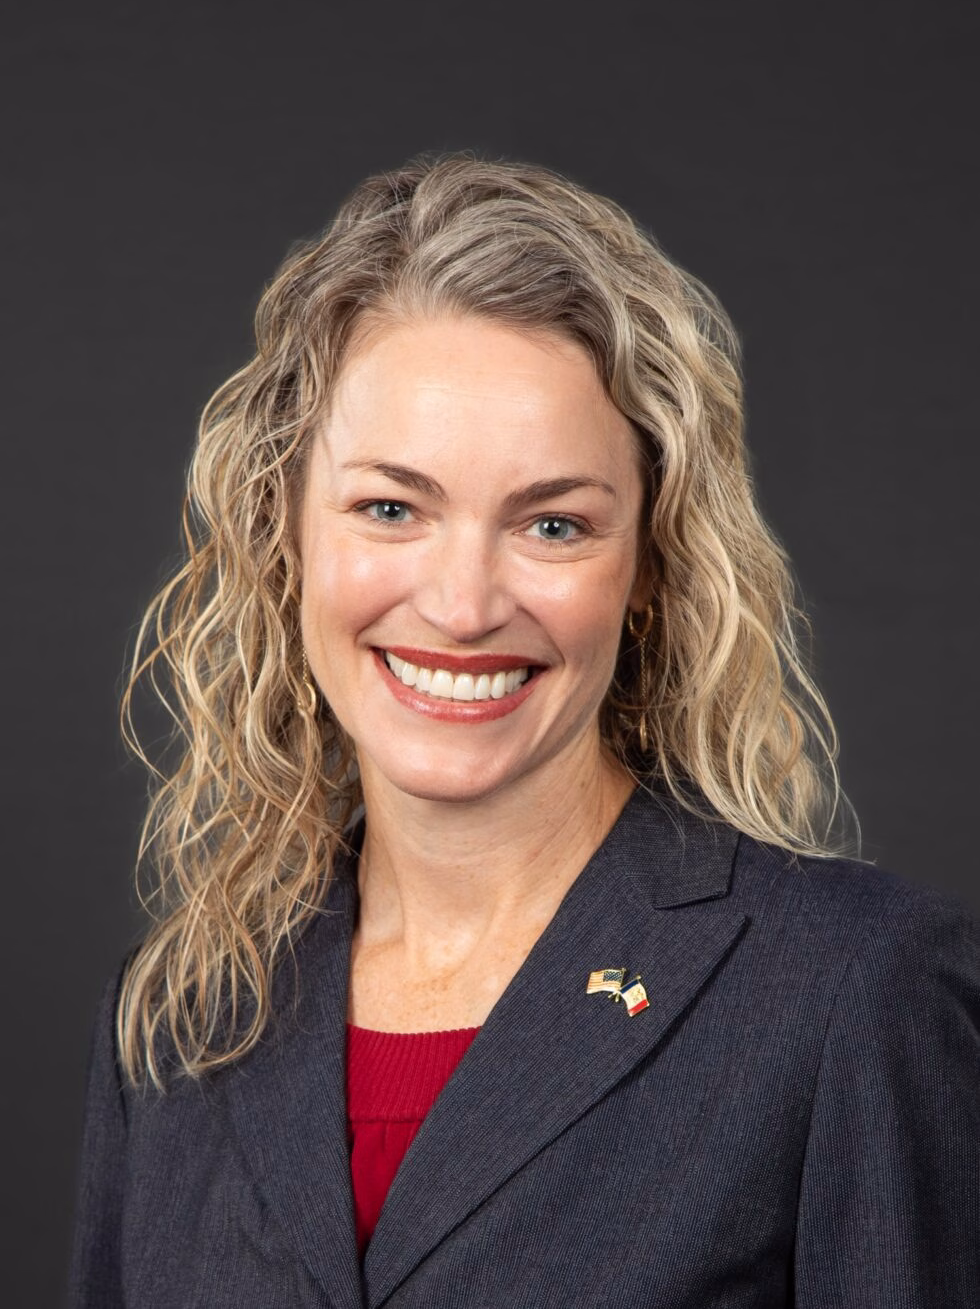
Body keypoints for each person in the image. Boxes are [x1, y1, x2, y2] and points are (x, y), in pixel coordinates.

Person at [67, 153, 979, 1308]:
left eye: (552, 524)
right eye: (389, 507)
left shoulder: (851, 987)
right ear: (282, 534)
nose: (461, 606)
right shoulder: (181, 1020)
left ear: (648, 567)